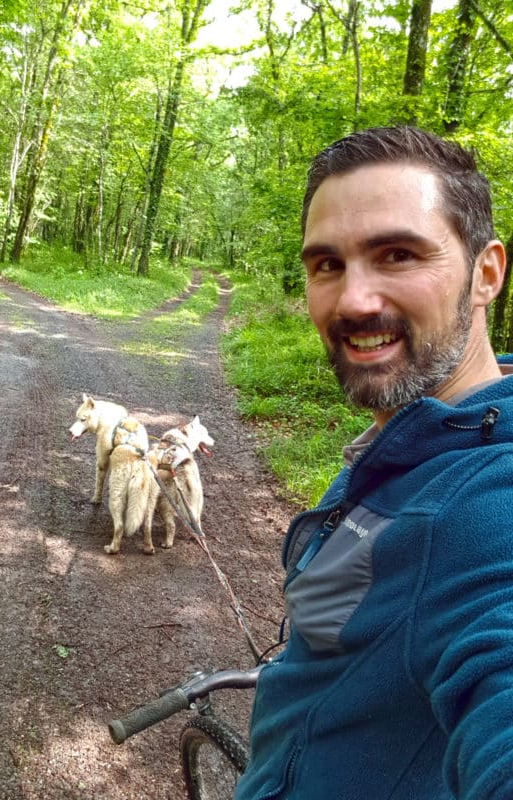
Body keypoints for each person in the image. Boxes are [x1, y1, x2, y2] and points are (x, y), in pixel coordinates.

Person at [234, 125, 513, 800]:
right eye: (327, 264)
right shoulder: (416, 440)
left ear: (486, 274)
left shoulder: (483, 506)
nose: (354, 300)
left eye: (397, 254)